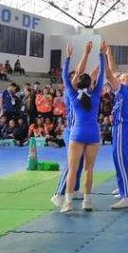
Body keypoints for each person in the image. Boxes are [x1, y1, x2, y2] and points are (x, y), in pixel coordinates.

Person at [60, 41, 104, 214]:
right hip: (93, 134)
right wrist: (101, 55)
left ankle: (68, 202)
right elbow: (100, 75)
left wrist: (68, 56)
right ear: (90, 84)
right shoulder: (96, 94)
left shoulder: (71, 94)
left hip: (77, 133)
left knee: (72, 169)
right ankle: (87, 201)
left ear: (76, 84)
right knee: (89, 169)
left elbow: (65, 76)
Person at [104, 45, 128, 209]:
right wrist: (108, 52)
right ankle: (122, 189)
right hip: (120, 127)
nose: (122, 73)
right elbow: (112, 70)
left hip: (122, 127)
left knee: (121, 160)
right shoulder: (127, 89)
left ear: (127, 79)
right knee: (117, 159)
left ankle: (127, 196)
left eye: (124, 74)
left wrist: (101, 57)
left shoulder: (124, 89)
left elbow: (109, 73)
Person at [51, 70, 84, 208]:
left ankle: (75, 189)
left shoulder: (82, 93)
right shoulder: (68, 93)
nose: (76, 79)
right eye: (73, 77)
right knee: (72, 163)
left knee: (80, 161)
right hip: (71, 131)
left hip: (81, 130)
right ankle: (58, 194)